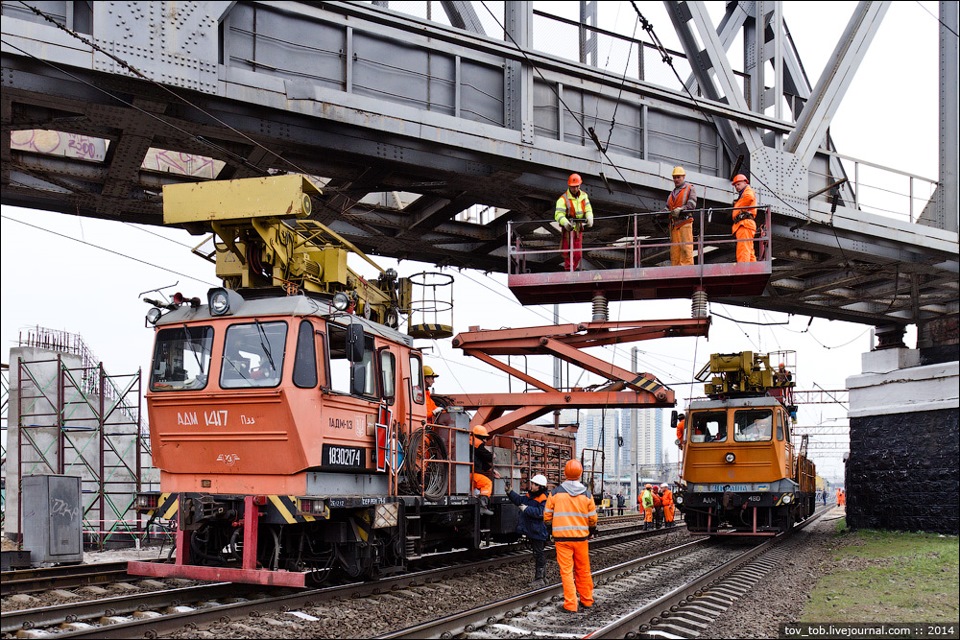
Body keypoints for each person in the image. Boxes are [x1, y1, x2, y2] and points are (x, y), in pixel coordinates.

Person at [544, 459, 597, 613]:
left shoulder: (554, 493)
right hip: (581, 539)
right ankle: (587, 600)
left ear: (565, 473)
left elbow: (547, 516)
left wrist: (550, 529)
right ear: (580, 474)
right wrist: (591, 531)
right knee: (583, 570)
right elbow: (593, 518)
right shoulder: (587, 494)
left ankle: (571, 604)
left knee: (567, 572)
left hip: (562, 540)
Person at [505, 474, 550, 585]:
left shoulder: (544, 498)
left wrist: (526, 509)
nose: (532, 485)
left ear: (539, 486)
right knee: (538, 553)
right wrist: (510, 492)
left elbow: (540, 513)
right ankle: (542, 578)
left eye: (534, 484)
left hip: (539, 530)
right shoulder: (531, 495)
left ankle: (540, 579)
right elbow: (520, 500)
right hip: (534, 530)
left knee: (539, 553)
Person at [554, 173, 593, 271]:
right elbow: (558, 214)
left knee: (578, 255)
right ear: (569, 186)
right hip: (568, 229)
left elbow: (588, 209)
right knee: (567, 253)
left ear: (579, 185)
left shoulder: (584, 196)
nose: (575, 189)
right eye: (573, 187)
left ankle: (572, 271)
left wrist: (589, 217)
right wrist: (565, 223)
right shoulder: (563, 199)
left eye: (576, 187)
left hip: (578, 229)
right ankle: (569, 271)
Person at [666, 166, 697, 266]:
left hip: (685, 224)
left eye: (678, 177)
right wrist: (659, 214)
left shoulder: (690, 188)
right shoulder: (671, 194)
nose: (676, 179)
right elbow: (668, 208)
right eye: (674, 177)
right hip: (674, 227)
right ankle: (676, 273)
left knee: (686, 249)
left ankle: (687, 272)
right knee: (675, 252)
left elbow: (692, 204)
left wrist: (681, 209)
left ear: (683, 177)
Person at [470, 425, 497, 515]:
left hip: (465, 473)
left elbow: (479, 459)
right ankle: (482, 506)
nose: (485, 440)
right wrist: (492, 455)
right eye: (484, 438)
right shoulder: (477, 443)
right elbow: (487, 456)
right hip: (471, 473)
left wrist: (491, 470)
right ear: (479, 436)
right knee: (487, 483)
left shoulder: (469, 443)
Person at [731, 174, 757, 263]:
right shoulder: (744, 193)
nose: (736, 187)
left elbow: (749, 197)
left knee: (743, 250)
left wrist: (739, 208)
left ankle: (743, 270)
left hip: (744, 224)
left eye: (738, 184)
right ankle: (754, 271)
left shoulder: (747, 191)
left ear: (745, 182)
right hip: (746, 224)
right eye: (735, 186)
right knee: (749, 251)